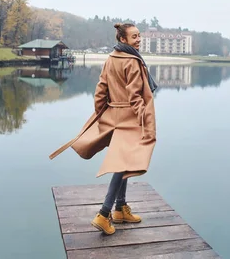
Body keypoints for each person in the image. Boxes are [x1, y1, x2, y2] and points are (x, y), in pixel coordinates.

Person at [48, 23, 158, 235]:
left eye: (139, 36)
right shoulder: (133, 61)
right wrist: (144, 119)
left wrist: (102, 114)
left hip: (114, 114)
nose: (138, 39)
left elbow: (101, 90)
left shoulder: (111, 59)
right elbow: (135, 96)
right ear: (123, 40)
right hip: (130, 118)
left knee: (124, 161)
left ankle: (120, 209)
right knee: (123, 163)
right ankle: (104, 213)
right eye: (134, 37)